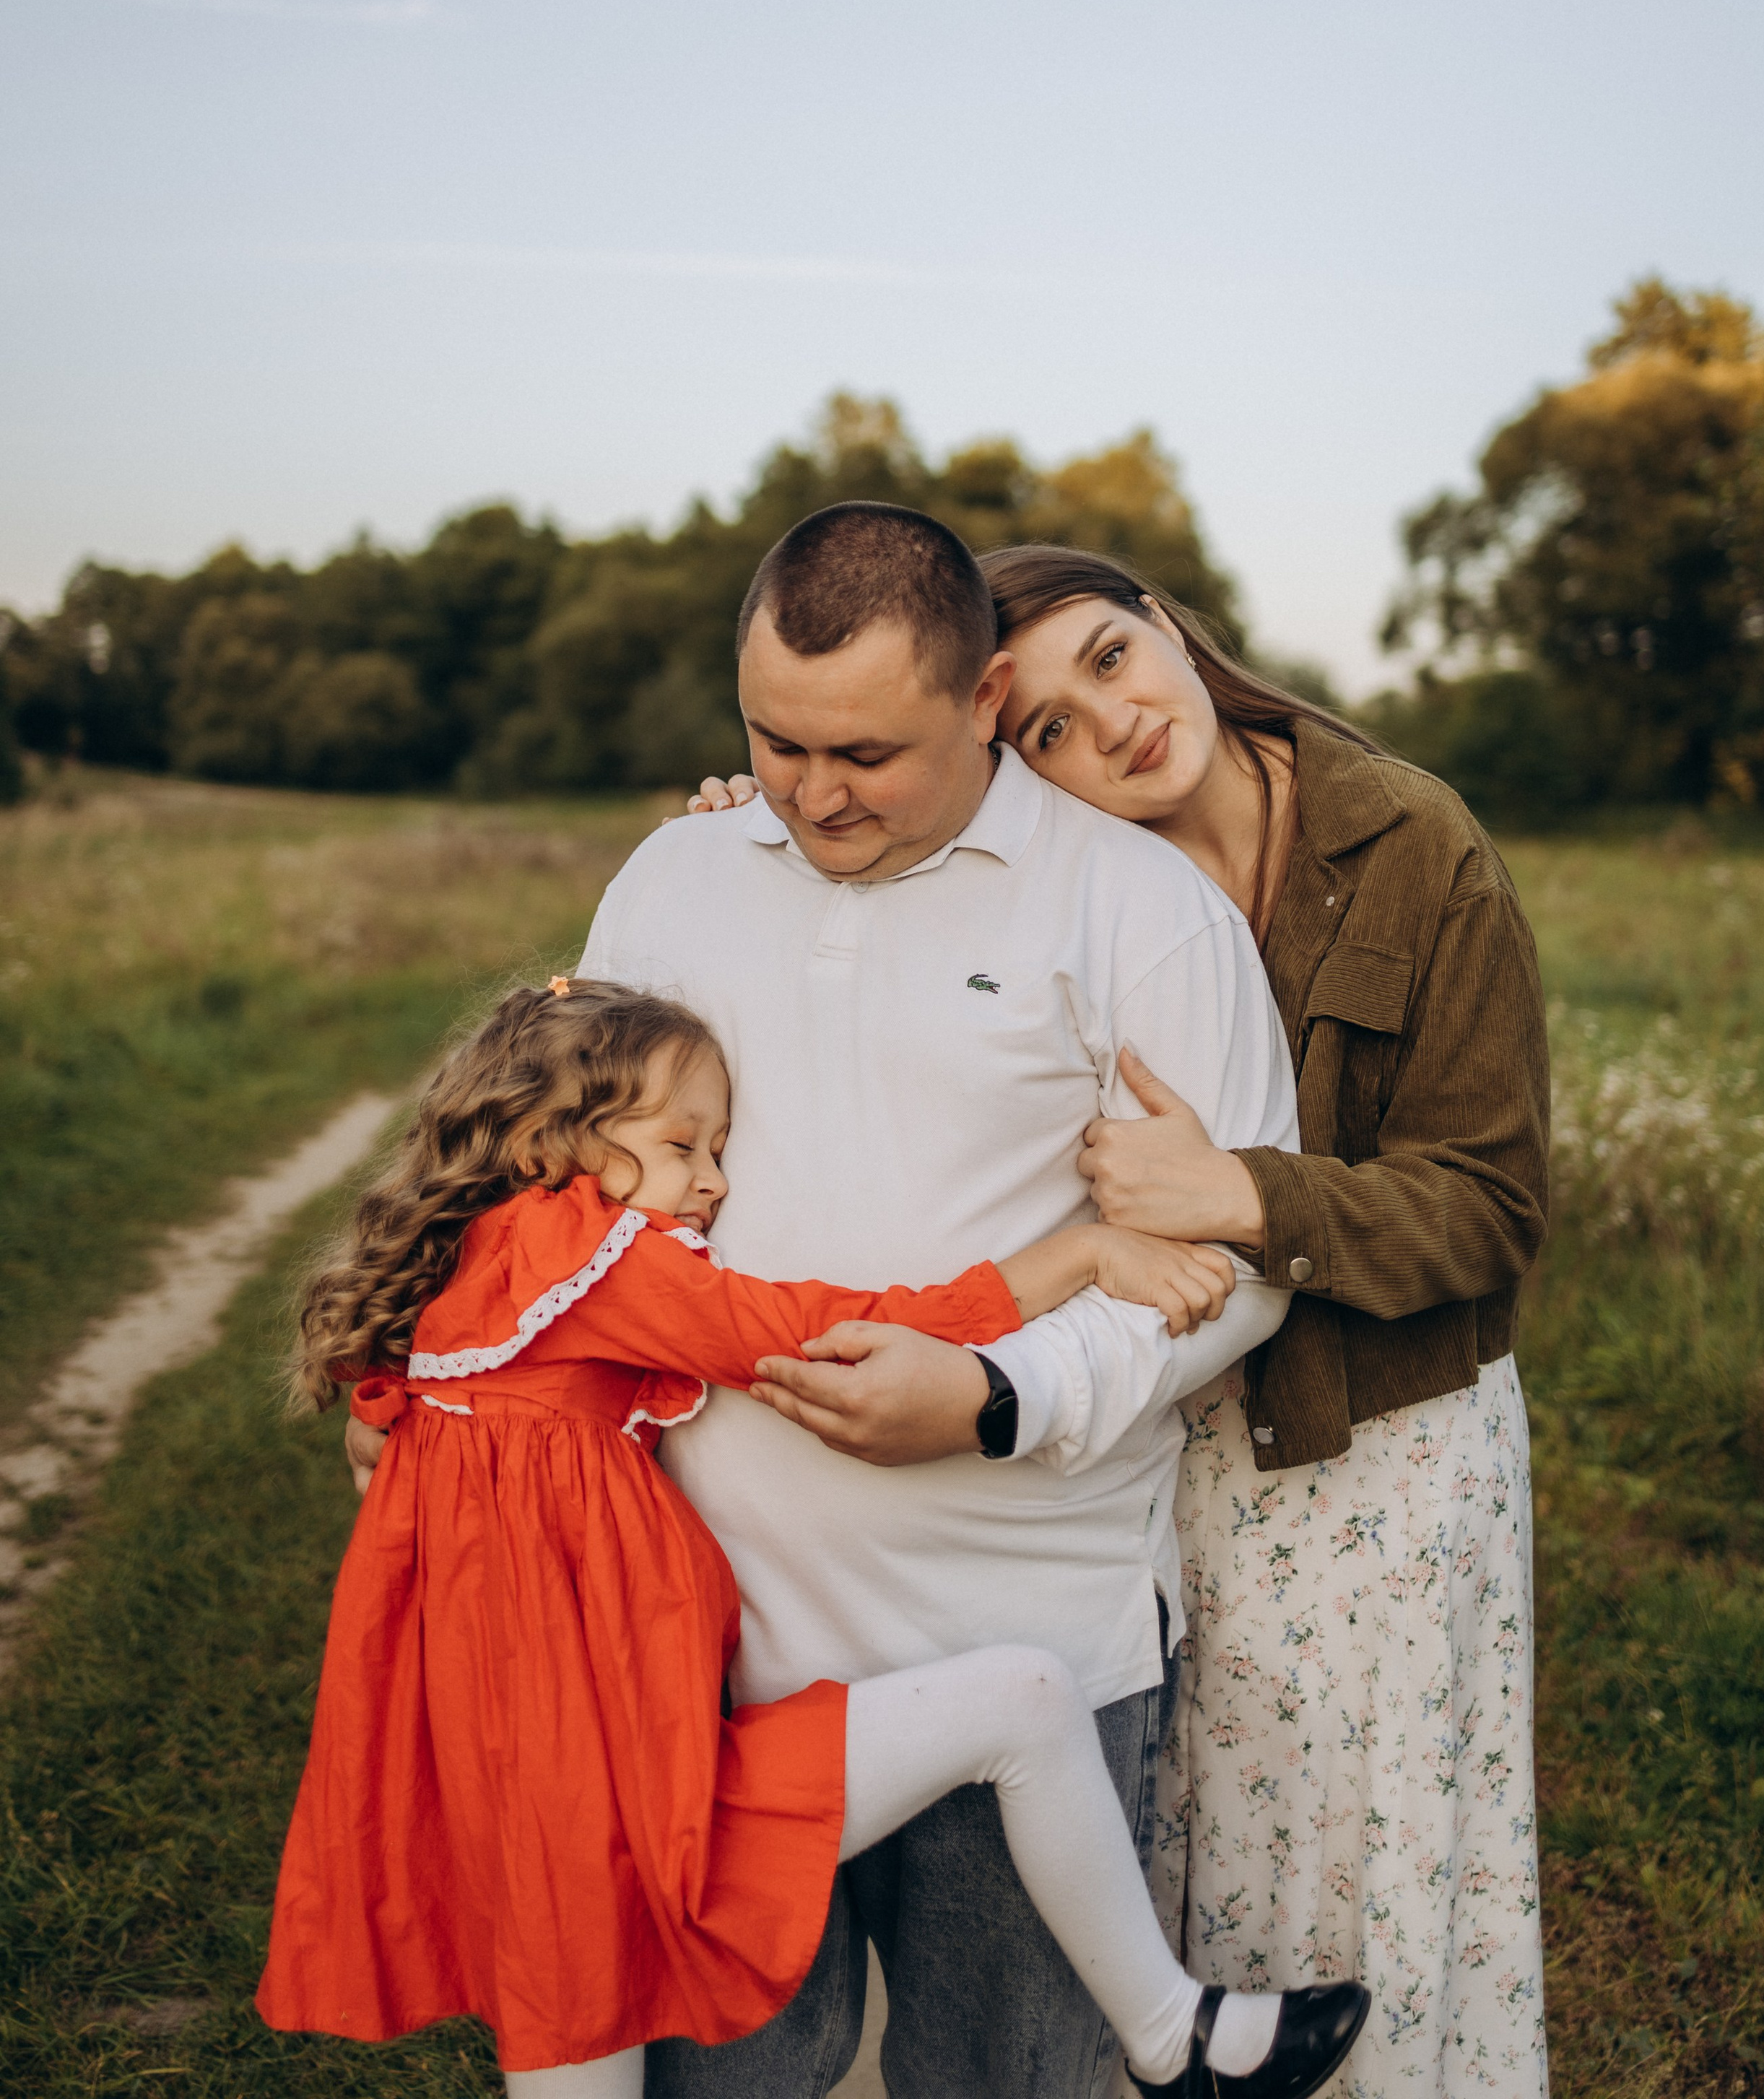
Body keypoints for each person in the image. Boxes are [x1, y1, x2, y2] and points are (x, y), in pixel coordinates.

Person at [691, 542, 1551, 2098]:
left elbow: (1489, 1208)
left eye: (1112, 657)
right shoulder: (1072, 886)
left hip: (1371, 1450)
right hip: (1173, 1459)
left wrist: (1245, 1194)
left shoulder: (1408, 843)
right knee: (1164, 1872)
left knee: (1355, 1873)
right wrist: (744, 822)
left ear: (1164, 619)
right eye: (1048, 731)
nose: (1113, 725)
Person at [266, 975, 1369, 2099]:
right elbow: (806, 1331)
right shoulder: (568, 1254)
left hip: (634, 1784)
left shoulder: (491, 1281)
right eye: (682, 1143)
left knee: (1027, 1700)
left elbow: (402, 1411)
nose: (714, 1180)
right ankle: (1173, 2040)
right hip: (591, 1817)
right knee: (1023, 1701)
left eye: (721, 1146)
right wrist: (1078, 1259)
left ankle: (1176, 2037)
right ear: (558, 1143)